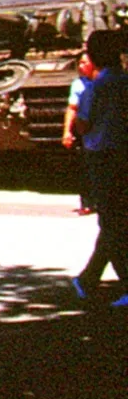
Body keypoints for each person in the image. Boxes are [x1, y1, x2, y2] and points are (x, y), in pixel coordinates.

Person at [70, 30, 128, 306]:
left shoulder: (96, 87)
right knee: (118, 220)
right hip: (123, 154)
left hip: (103, 157)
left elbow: (82, 124)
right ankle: (88, 278)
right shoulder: (125, 82)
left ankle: (117, 282)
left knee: (111, 221)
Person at [63, 55, 100, 214]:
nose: (81, 65)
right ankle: (87, 203)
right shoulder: (78, 84)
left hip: (105, 129)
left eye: (85, 62)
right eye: (80, 63)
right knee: (86, 168)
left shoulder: (105, 82)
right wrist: (67, 131)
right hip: (86, 131)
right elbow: (72, 108)